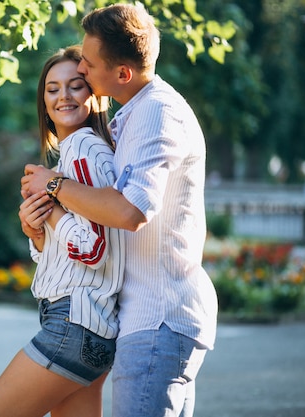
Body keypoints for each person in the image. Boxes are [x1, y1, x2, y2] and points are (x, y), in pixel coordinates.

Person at [21, 4, 218, 417]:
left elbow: (129, 212)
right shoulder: (130, 118)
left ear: (122, 74)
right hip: (142, 320)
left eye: (88, 67)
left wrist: (52, 186)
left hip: (157, 317)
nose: (84, 73)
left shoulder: (156, 113)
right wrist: (41, 229)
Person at [0, 45, 125, 417]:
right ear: (43, 100)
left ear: (95, 95)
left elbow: (94, 251)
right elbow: (73, 253)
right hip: (89, 329)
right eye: (53, 89)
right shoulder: (74, 156)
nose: (64, 96)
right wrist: (38, 232)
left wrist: (54, 210)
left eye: (76, 85)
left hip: (74, 324)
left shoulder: (85, 151)